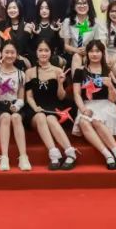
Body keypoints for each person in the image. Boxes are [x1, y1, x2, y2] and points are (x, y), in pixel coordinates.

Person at [73, 40, 116, 170]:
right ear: (87, 54)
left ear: (102, 53)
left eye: (97, 51)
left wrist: (110, 86)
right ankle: (108, 155)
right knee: (83, 121)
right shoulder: (79, 71)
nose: (94, 54)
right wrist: (83, 109)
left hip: (105, 105)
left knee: (96, 121)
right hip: (87, 104)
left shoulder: (107, 70)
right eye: (91, 51)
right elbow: (76, 94)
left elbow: (112, 99)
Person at [24, 40, 79, 170]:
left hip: (54, 106)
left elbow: (61, 97)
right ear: (36, 52)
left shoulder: (58, 70)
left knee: (50, 118)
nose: (43, 53)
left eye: (46, 50)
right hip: (35, 107)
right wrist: (35, 108)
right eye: (40, 50)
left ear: (51, 53)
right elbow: (29, 96)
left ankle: (70, 152)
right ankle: (54, 155)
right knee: (41, 116)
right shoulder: (29, 72)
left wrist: (60, 83)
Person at [0, 41, 31, 172]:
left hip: (14, 105)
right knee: (6, 117)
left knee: (16, 117)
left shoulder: (21, 74)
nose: (9, 55)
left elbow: (21, 98)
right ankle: (4, 157)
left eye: (12, 52)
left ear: (17, 55)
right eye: (7, 52)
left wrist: (16, 106)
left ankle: (23, 157)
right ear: (1, 53)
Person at [61, 0, 108, 70]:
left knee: (88, 59)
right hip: (72, 53)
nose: (82, 6)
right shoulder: (68, 21)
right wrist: (77, 50)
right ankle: (76, 78)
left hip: (90, 53)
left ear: (89, 6)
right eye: (79, 3)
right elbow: (66, 45)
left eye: (84, 3)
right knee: (76, 56)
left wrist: (87, 49)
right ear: (74, 7)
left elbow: (98, 43)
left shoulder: (95, 22)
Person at [30, 0, 67, 68]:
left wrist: (57, 33)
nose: (44, 11)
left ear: (51, 10)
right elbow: (30, 48)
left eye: (47, 8)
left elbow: (61, 48)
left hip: (52, 57)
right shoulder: (33, 25)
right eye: (41, 8)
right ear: (38, 10)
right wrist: (34, 35)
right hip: (37, 57)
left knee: (54, 60)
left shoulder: (56, 25)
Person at [0, 0, 34, 70]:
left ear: (19, 10)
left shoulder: (27, 26)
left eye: (14, 8)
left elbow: (21, 48)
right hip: (7, 57)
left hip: (22, 58)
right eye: (9, 8)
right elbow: (1, 45)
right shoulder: (2, 25)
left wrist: (26, 33)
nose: (12, 10)